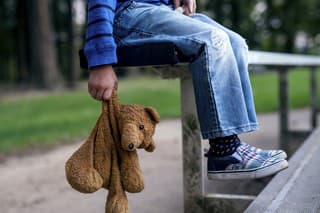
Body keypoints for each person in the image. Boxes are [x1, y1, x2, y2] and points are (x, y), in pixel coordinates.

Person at [84, 0, 289, 179]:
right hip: (126, 14)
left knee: (236, 43)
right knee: (212, 39)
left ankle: (234, 143)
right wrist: (100, 60)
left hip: (162, 9)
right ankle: (225, 151)